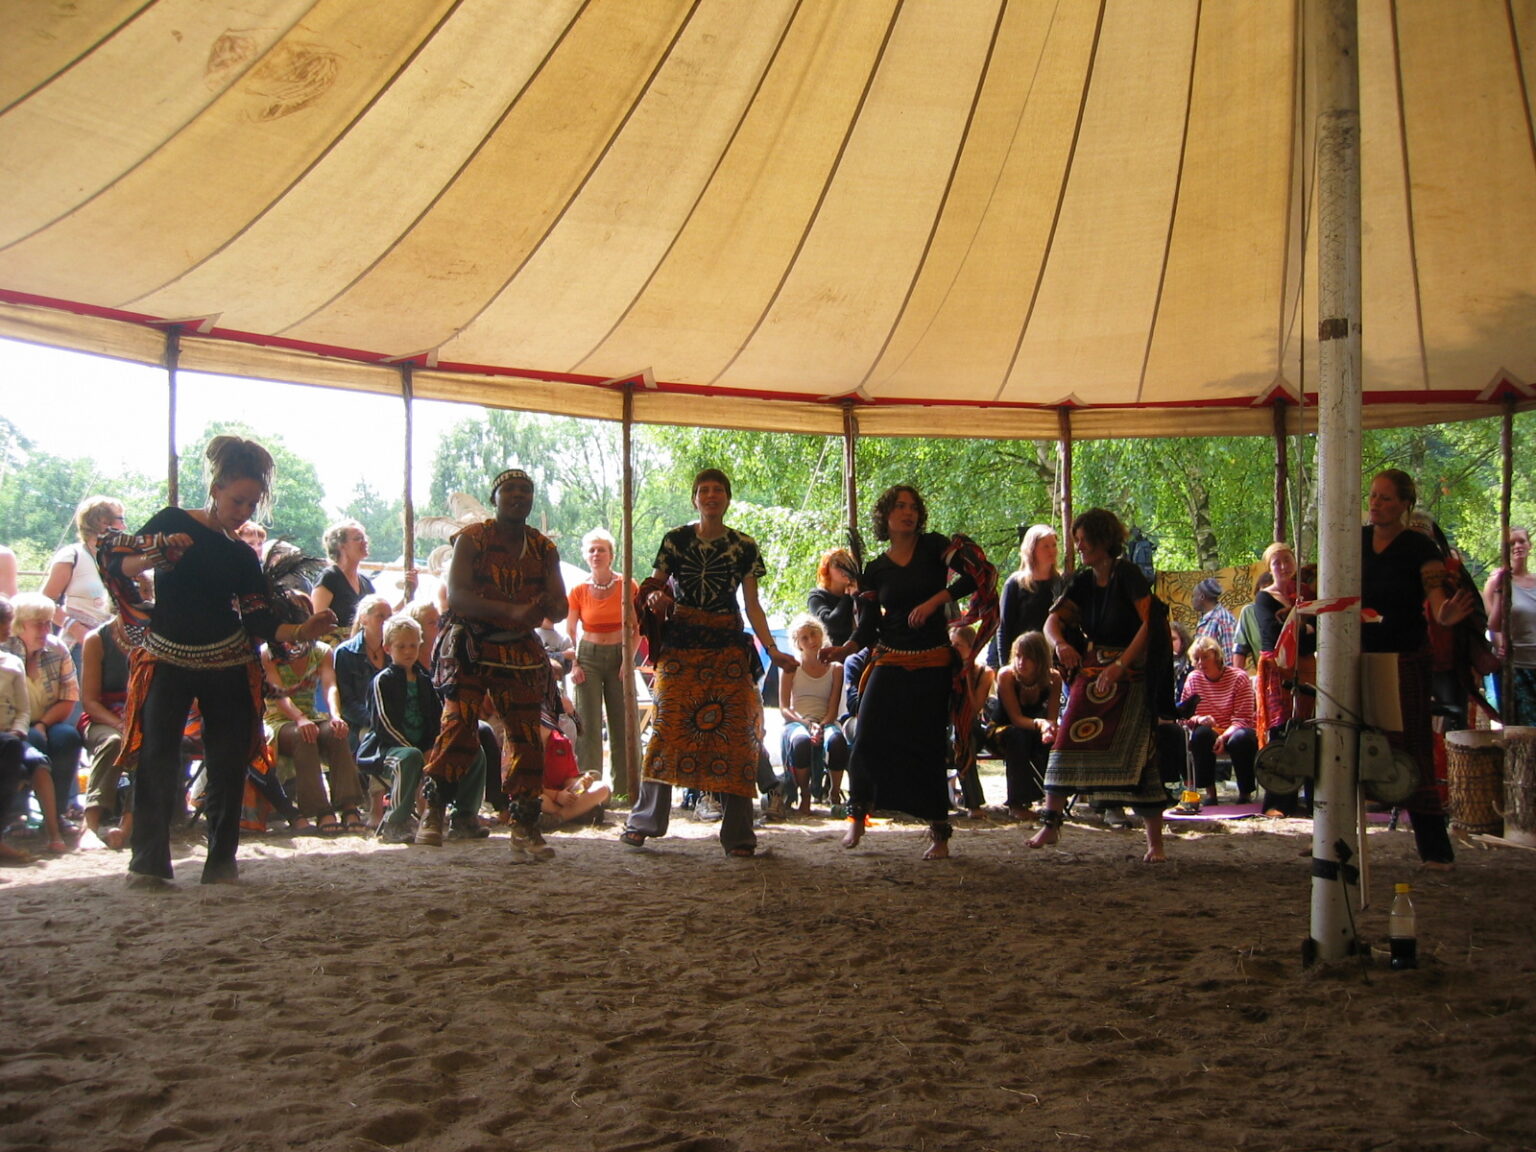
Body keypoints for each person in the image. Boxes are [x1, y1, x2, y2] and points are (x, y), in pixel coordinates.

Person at [99, 435, 336, 886]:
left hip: (228, 661)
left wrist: (303, 631)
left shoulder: (242, 555)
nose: (243, 511)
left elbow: (260, 620)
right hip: (166, 656)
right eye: (237, 500)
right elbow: (119, 565)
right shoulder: (172, 522)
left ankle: (221, 862)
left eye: (251, 504)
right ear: (215, 489)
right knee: (157, 756)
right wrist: (159, 551)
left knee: (228, 761)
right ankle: (147, 864)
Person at [621, 469, 797, 857]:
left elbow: (752, 605)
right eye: (704, 490)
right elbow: (654, 585)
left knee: (737, 735)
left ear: (728, 498)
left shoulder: (743, 545)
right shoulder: (676, 539)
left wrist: (773, 649)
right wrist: (656, 599)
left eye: (718, 489)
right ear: (694, 499)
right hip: (680, 648)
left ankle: (739, 835)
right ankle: (644, 821)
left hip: (727, 648)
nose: (711, 495)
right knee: (665, 729)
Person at [821, 485, 996, 861]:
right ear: (885, 516)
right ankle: (858, 815)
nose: (908, 512)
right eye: (900, 506)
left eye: (913, 507)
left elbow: (975, 575)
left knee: (928, 745)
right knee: (866, 734)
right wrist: (844, 649)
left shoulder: (935, 546)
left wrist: (937, 600)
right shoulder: (876, 569)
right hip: (889, 658)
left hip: (933, 660)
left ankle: (939, 831)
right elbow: (868, 627)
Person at [424, 468, 567, 861]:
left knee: (526, 736)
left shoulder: (543, 549)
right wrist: (513, 610)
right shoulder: (472, 539)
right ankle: (434, 807)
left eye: (526, 490)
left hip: (518, 648)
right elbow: (458, 597)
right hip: (470, 643)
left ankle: (524, 823)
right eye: (510, 489)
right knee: (459, 724)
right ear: (495, 498)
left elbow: (560, 605)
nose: (518, 495)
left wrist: (548, 605)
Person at [1031, 508, 1170, 863]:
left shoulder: (1128, 575)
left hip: (1133, 673)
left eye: (1083, 540)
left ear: (1103, 540)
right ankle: (1051, 822)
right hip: (1094, 671)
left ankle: (1155, 842)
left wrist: (1121, 666)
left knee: (1142, 753)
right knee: (1065, 740)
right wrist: (1061, 644)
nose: (1078, 547)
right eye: (1076, 541)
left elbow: (1151, 622)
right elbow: (1051, 622)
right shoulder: (1082, 581)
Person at [1362, 469, 1475, 868]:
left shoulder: (1419, 546)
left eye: (1386, 498)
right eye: (1373, 496)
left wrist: (1444, 614)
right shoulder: (1354, 540)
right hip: (1357, 655)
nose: (1376, 504)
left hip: (1405, 658)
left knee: (1413, 749)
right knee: (1348, 740)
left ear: (1405, 505)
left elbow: (1437, 597)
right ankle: (1336, 835)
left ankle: (1434, 848)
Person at [260, 593, 367, 833]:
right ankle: (319, 810)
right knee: (303, 735)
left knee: (336, 732)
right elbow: (279, 694)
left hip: (311, 716)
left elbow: (330, 686)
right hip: (279, 720)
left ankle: (349, 805)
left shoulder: (321, 651)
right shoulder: (268, 652)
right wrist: (299, 718)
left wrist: (336, 715)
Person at [566, 527, 640, 797]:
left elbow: (638, 627)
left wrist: (628, 662)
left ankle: (626, 789)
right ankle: (590, 790)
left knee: (624, 721)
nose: (596, 554)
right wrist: (574, 664)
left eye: (602, 550)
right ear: (585, 556)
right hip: (588, 656)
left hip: (620, 655)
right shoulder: (578, 589)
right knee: (587, 723)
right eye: (592, 550)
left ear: (611, 555)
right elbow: (570, 631)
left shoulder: (627, 585)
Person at [0, 596, 67, 855]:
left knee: (36, 761)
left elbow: (23, 709)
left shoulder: (11, 663)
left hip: (10, 736)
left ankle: (54, 831)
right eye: (5, 623)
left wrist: (18, 730)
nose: (8, 628)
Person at [11, 592, 83, 824]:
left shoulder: (57, 649)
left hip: (48, 720)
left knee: (68, 738)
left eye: (48, 623)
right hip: (12, 723)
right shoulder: (6, 652)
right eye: (38, 624)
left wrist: (43, 724)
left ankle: (57, 811)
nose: (45, 630)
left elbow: (69, 698)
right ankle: (17, 814)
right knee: (30, 741)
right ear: (19, 625)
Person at [1177, 635, 1258, 808]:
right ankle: (1210, 792)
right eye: (1197, 658)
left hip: (1235, 729)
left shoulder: (1239, 677)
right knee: (1201, 734)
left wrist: (1224, 736)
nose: (1201, 662)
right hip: (1210, 731)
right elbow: (1184, 717)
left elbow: (1243, 718)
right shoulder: (1193, 679)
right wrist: (1199, 719)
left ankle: (1245, 792)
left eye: (1205, 657)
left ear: (1216, 656)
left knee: (1242, 739)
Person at [777, 614, 847, 816]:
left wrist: (821, 725)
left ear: (821, 634)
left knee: (837, 741)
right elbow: (784, 708)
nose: (811, 641)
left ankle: (834, 793)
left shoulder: (836, 669)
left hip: (825, 720)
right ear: (797, 643)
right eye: (804, 638)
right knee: (801, 741)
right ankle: (805, 794)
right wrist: (806, 723)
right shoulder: (791, 667)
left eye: (814, 634)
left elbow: (833, 707)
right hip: (797, 721)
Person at [986, 631, 1060, 819]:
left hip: (1034, 731)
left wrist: (1049, 729)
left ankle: (1053, 799)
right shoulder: (1006, 675)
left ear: (1040, 660)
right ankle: (1017, 803)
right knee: (1018, 735)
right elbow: (1016, 718)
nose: (1021, 662)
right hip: (1002, 731)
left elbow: (1052, 717)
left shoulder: (1053, 679)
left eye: (1028, 658)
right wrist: (1041, 724)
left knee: (1054, 742)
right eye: (1018, 656)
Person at [41, 496, 125, 658]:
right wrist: (76, 628)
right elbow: (46, 602)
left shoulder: (121, 559)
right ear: (102, 522)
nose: (124, 527)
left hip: (116, 644)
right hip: (79, 645)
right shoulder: (72, 555)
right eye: (120, 519)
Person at [76, 618, 133, 849]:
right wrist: (120, 724)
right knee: (114, 742)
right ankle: (90, 824)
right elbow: (90, 702)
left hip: (140, 716)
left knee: (150, 746)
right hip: (104, 717)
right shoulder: (97, 639)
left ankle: (126, 828)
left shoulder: (155, 634)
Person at [988, 524, 1064, 668]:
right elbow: (1004, 627)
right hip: (1022, 660)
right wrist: (1006, 665)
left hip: (1051, 659)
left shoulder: (1060, 582)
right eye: (1045, 546)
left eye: (1054, 545)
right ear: (1032, 550)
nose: (1052, 550)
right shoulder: (1015, 583)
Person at [1484, 525, 1535, 724]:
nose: (1517, 546)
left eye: (1522, 541)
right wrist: (1500, 645)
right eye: (1512, 543)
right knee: (1521, 727)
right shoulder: (1497, 581)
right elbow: (1493, 624)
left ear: (1530, 545)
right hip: (1514, 666)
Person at [948, 622, 995, 818]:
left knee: (964, 733)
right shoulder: (945, 670)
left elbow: (975, 707)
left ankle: (973, 804)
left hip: (972, 728)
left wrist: (966, 675)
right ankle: (971, 803)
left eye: (958, 645)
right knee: (957, 735)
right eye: (951, 644)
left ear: (971, 648)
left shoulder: (985, 673)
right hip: (948, 729)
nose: (953, 649)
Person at [311, 520, 375, 636]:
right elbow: (316, 622)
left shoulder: (366, 583)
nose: (365, 542)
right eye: (358, 538)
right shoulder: (329, 578)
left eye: (364, 538)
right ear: (341, 546)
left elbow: (380, 616)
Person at [807, 549, 859, 648]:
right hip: (834, 651)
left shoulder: (857, 591)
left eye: (848, 565)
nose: (844, 569)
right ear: (826, 570)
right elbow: (831, 625)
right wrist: (847, 596)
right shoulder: (817, 596)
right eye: (838, 565)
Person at [1192, 577, 1238, 664]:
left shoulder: (1223, 619)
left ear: (1202, 597)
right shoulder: (1206, 619)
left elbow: (1230, 658)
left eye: (1193, 596)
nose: (1192, 600)